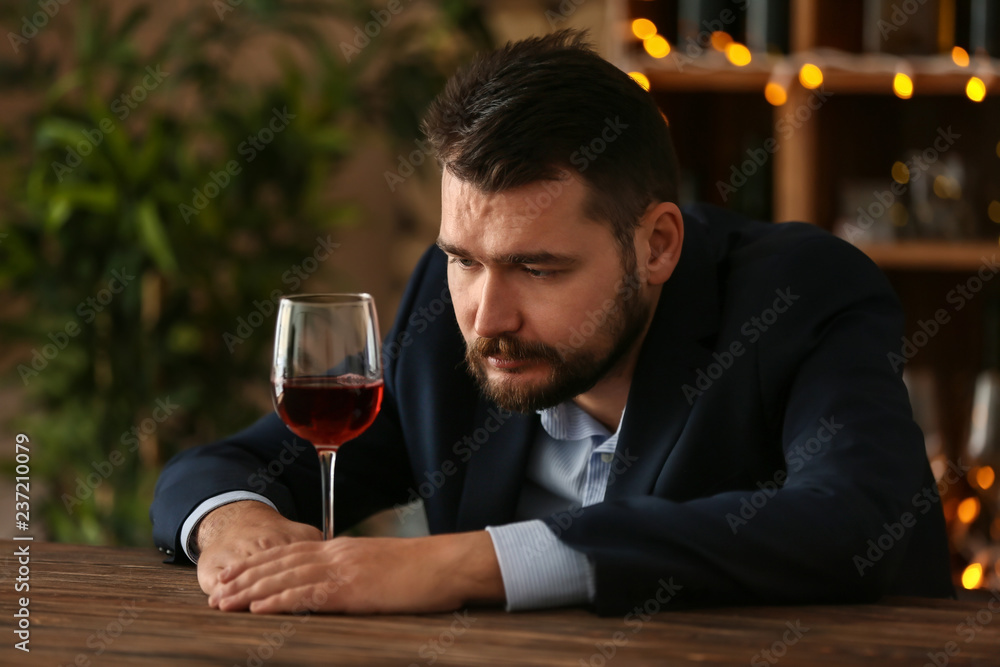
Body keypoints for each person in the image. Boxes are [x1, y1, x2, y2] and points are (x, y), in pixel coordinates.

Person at [150, 30, 954, 616]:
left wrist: (461, 564)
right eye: (464, 259)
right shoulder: (451, 308)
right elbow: (226, 466)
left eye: (538, 268)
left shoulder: (801, 294)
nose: (487, 315)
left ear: (657, 245)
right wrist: (233, 521)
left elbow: (857, 520)